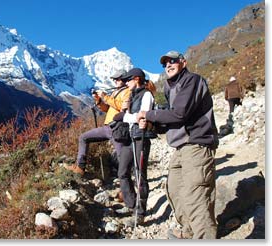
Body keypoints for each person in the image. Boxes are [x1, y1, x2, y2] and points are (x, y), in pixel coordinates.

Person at [137, 51, 219, 239]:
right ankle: (189, 231)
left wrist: (148, 115)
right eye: (165, 63)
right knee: (174, 190)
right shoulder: (170, 87)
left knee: (196, 195)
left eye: (172, 61)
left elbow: (180, 113)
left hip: (197, 144)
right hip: (180, 147)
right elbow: (173, 120)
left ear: (183, 62)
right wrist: (152, 124)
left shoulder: (192, 81)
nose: (168, 65)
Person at [64, 70, 131, 176]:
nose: (115, 81)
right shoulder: (115, 92)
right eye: (114, 79)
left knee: (121, 157)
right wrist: (99, 101)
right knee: (83, 137)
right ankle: (80, 167)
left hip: (119, 128)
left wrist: (105, 97)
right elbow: (107, 109)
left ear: (124, 78)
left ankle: (128, 183)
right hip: (108, 126)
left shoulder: (128, 91)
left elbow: (122, 106)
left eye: (117, 79)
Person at [114, 68, 155, 227]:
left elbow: (143, 115)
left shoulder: (147, 95)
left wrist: (124, 116)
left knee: (140, 174)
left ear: (137, 79)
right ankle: (131, 205)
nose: (125, 83)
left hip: (141, 137)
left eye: (128, 80)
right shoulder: (132, 95)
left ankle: (140, 212)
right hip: (130, 136)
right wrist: (125, 110)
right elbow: (134, 116)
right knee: (122, 171)